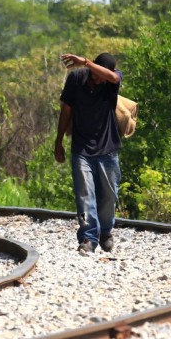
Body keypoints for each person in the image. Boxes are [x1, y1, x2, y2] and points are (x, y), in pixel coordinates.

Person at [54, 53, 122, 254]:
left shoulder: (111, 81)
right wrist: (58, 142)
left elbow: (113, 77)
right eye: (96, 74)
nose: (99, 79)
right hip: (82, 148)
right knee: (85, 195)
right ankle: (88, 237)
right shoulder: (76, 79)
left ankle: (105, 233)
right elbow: (66, 111)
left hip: (108, 149)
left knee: (109, 196)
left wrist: (85, 62)